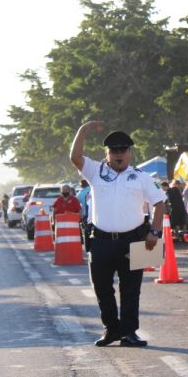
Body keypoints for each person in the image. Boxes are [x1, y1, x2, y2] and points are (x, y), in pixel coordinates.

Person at [70, 121, 166, 348]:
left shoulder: (142, 177)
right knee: (102, 288)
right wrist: (83, 130)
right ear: (107, 153)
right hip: (101, 240)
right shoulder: (96, 171)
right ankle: (111, 330)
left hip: (133, 240)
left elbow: (160, 203)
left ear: (130, 153)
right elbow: (75, 157)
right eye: (114, 151)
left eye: (123, 150)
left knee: (131, 290)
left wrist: (154, 231)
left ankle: (129, 333)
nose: (119, 154)